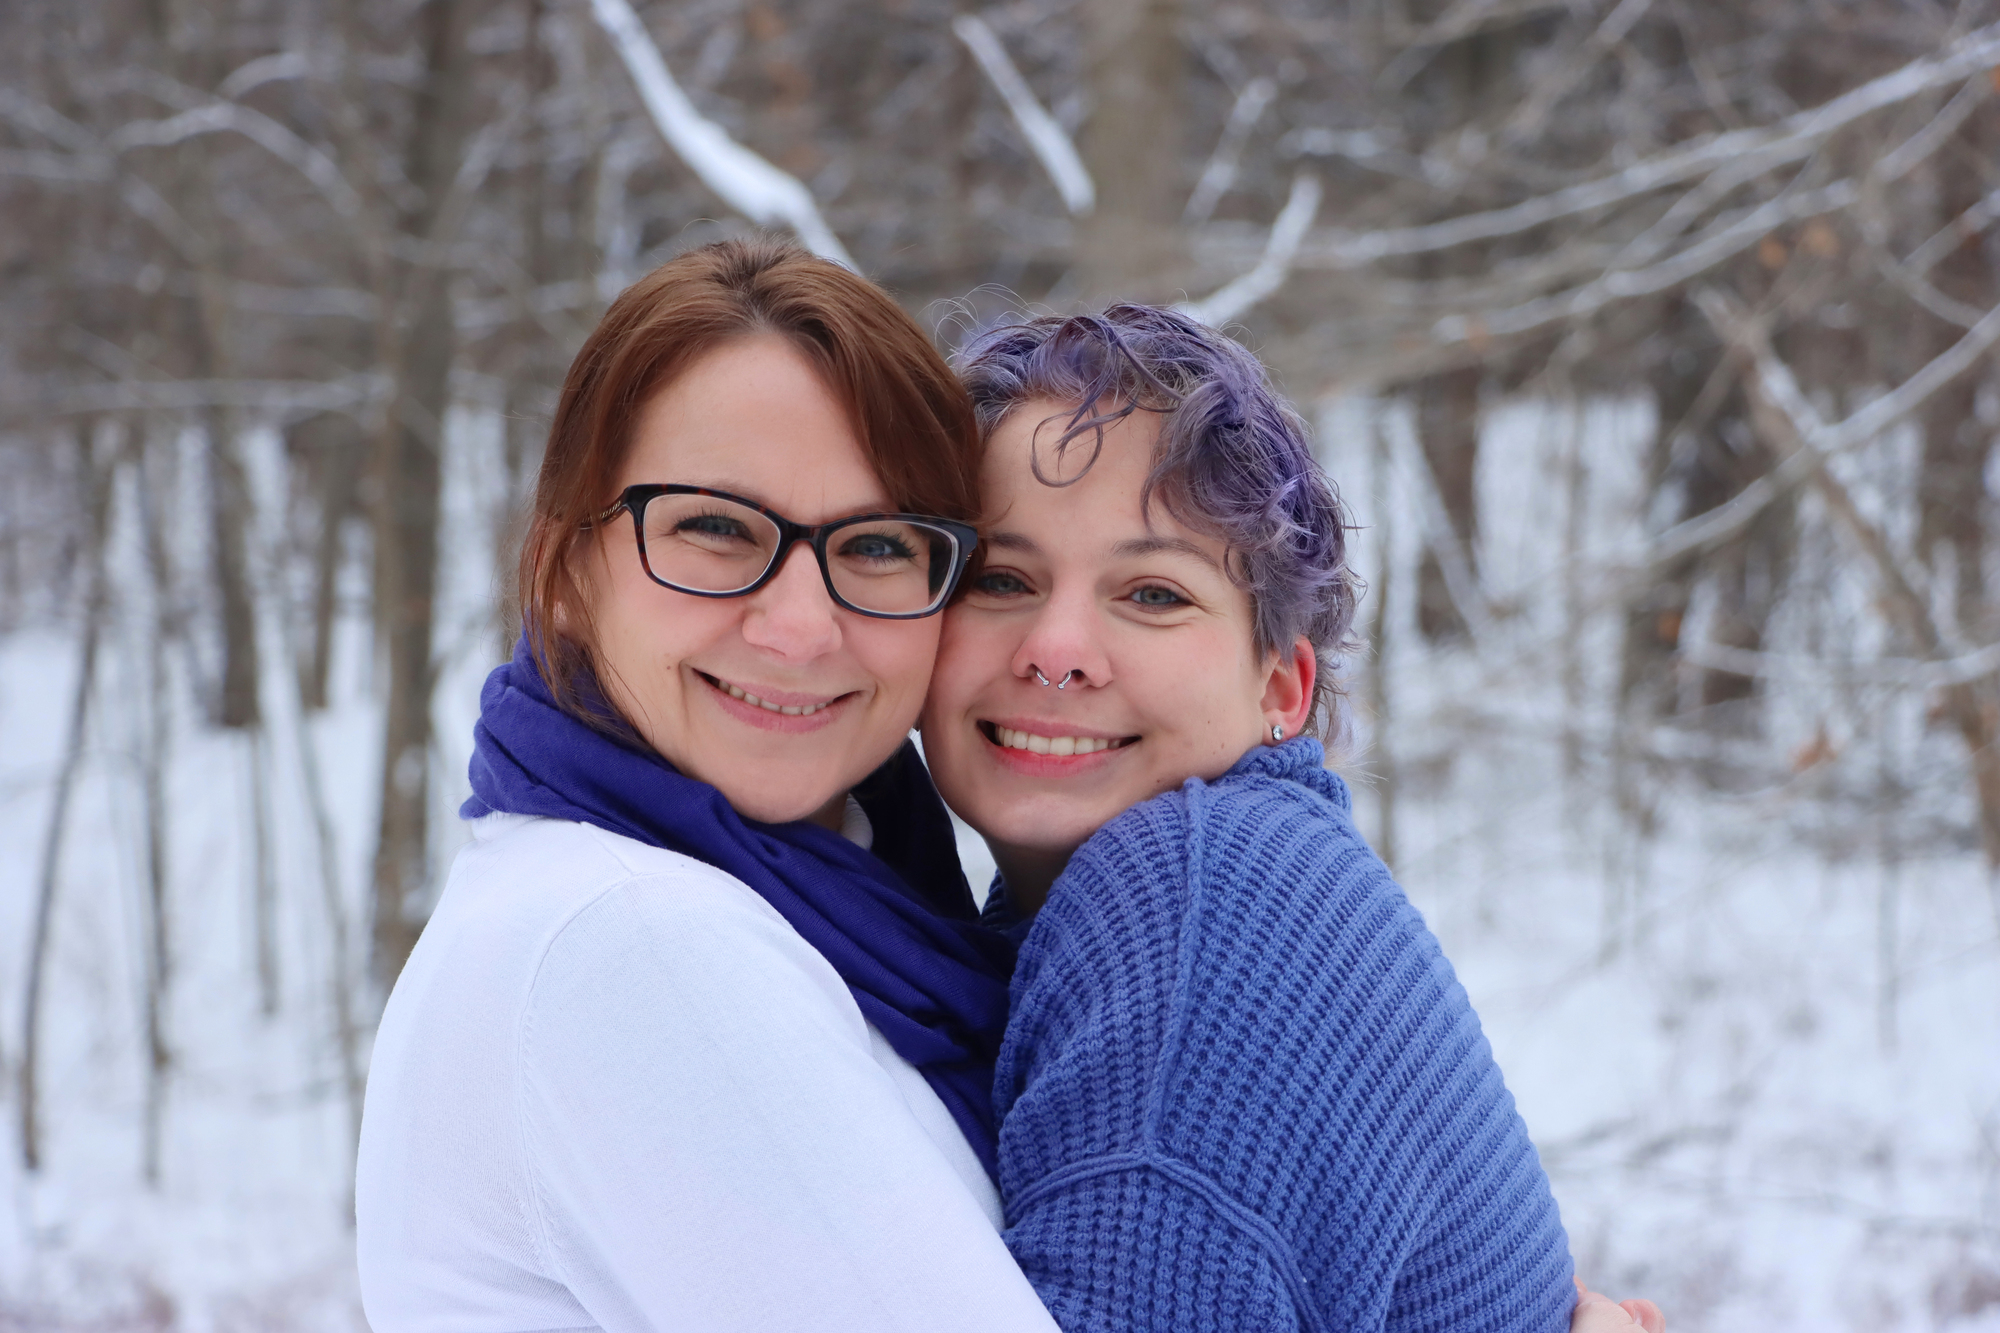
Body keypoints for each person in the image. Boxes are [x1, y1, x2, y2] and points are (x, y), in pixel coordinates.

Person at [354, 236, 1061, 1331]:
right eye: (716, 528)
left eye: (875, 545)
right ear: (567, 566)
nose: (797, 626)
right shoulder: (629, 944)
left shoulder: (837, 912)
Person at [919, 304, 1664, 1333]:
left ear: (1281, 687)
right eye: (1001, 578)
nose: (1056, 647)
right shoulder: (1210, 878)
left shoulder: (1191, 901)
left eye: (1150, 594)